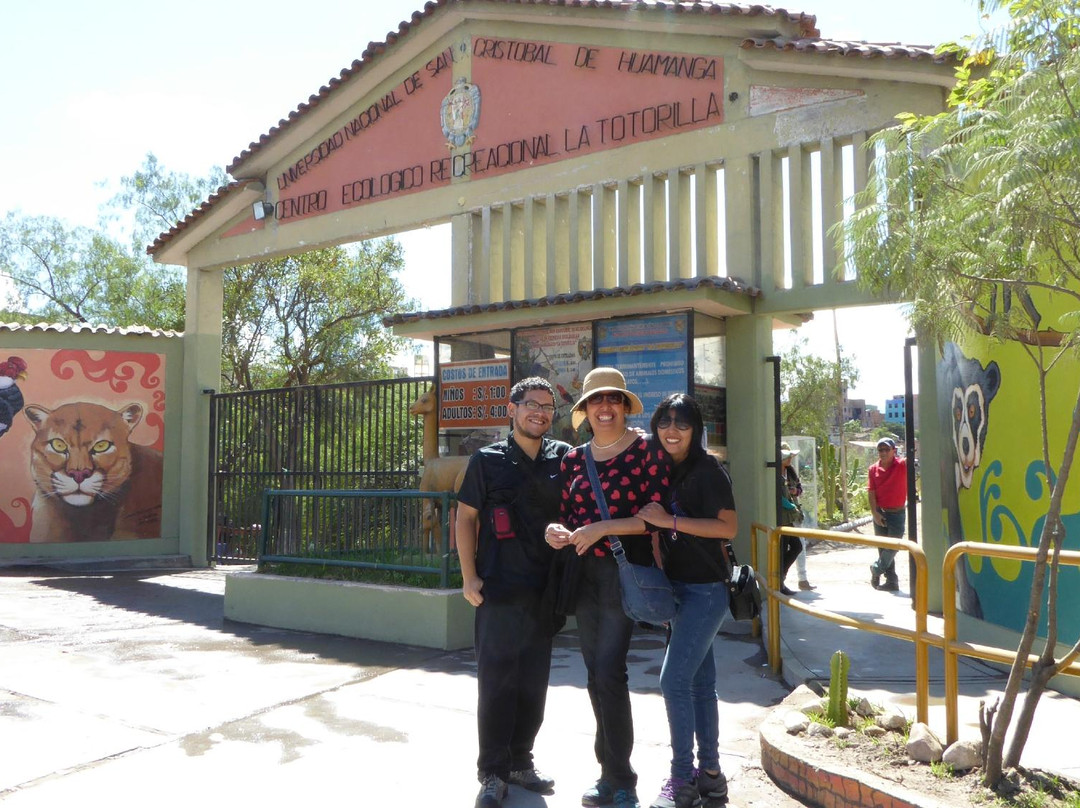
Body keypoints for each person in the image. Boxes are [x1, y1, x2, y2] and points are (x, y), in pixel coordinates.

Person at [545, 367, 670, 808]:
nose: (604, 407)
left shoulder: (645, 452)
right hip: (583, 576)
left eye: (613, 399)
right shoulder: (573, 460)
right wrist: (558, 531)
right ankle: (608, 773)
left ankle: (623, 780)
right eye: (596, 401)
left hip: (623, 574)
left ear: (623, 406)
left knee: (610, 674)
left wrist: (601, 528)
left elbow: (653, 518)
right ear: (584, 410)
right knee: (595, 677)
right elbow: (568, 515)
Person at [456, 377, 572, 808]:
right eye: (530, 404)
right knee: (497, 684)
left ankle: (522, 761)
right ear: (512, 408)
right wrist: (469, 577)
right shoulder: (486, 461)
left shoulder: (563, 459)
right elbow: (465, 519)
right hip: (498, 590)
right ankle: (492, 772)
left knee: (533, 684)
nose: (539, 412)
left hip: (544, 592)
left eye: (546, 406)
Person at [636, 394, 737, 808]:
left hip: (707, 590)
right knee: (699, 683)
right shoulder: (664, 469)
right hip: (678, 588)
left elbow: (727, 527)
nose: (671, 431)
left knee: (672, 680)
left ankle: (681, 780)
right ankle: (711, 774)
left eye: (681, 423)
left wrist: (668, 521)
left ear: (695, 430)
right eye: (664, 423)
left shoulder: (708, 469)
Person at [868, 437, 908, 591]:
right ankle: (891, 580)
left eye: (886, 449)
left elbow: (916, 457)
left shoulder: (901, 465)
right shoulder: (873, 469)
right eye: (880, 450)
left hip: (897, 512)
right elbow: (871, 492)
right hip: (881, 512)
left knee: (894, 545)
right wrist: (875, 513)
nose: (883, 453)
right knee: (884, 548)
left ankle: (876, 569)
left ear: (894, 451)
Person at [778, 442, 810, 596]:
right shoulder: (774, 473)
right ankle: (779, 582)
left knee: (797, 546)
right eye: (786, 456)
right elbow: (778, 497)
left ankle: (782, 578)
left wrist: (795, 492)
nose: (789, 459)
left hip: (792, 517)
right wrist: (790, 505)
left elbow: (799, 488)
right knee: (785, 549)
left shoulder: (790, 473)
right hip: (782, 518)